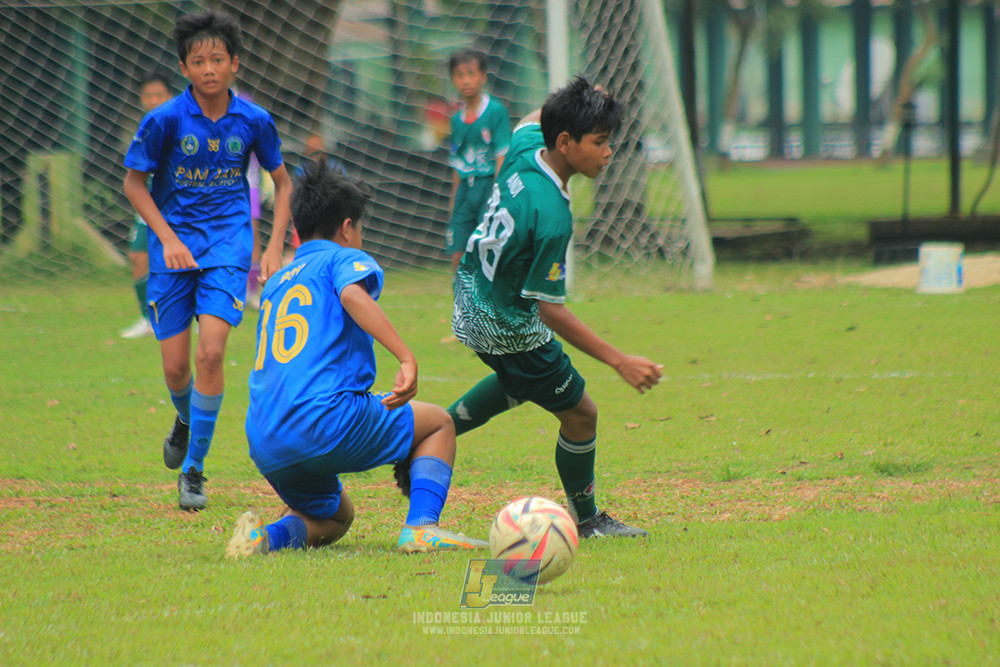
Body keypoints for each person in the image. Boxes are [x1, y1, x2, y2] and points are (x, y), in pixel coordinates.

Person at [226, 162, 486, 558]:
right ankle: (422, 527)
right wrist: (405, 356)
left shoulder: (278, 281)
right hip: (324, 420)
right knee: (438, 423)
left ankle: (264, 539)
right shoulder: (340, 259)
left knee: (337, 516)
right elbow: (351, 293)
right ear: (347, 228)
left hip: (264, 436)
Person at [447, 77, 663, 538]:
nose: (608, 152)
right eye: (599, 142)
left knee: (524, 382)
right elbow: (550, 311)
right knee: (581, 413)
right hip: (506, 323)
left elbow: (535, 118)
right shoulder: (550, 215)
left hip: (471, 292)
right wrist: (620, 361)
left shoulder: (528, 145)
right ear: (565, 143)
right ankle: (587, 521)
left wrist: (577, 101)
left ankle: (431, 432)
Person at [123, 11, 292, 511]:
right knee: (177, 369)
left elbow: (283, 184)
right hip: (173, 251)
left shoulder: (254, 120)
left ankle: (194, 470)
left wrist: (273, 246)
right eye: (198, 62)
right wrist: (167, 237)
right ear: (184, 68)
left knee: (211, 354)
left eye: (217, 59)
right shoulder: (164, 120)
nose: (209, 69)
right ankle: (184, 417)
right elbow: (134, 184)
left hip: (228, 246)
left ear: (235, 64)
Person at [446, 49, 511, 272]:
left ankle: (490, 294)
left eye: (471, 74)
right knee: (458, 252)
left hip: (488, 187)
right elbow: (457, 163)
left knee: (488, 250)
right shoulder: (456, 120)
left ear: (483, 77)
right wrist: (454, 202)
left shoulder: (496, 112)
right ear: (453, 79)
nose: (466, 80)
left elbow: (502, 156)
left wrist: (498, 194)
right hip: (465, 190)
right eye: (460, 75)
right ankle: (462, 295)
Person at [120, 71, 172, 339]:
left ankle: (199, 315)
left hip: (179, 207)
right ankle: (147, 318)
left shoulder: (182, 125)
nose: (153, 101)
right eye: (148, 96)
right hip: (149, 207)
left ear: (171, 97)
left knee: (189, 261)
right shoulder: (142, 131)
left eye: (159, 95)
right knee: (138, 257)